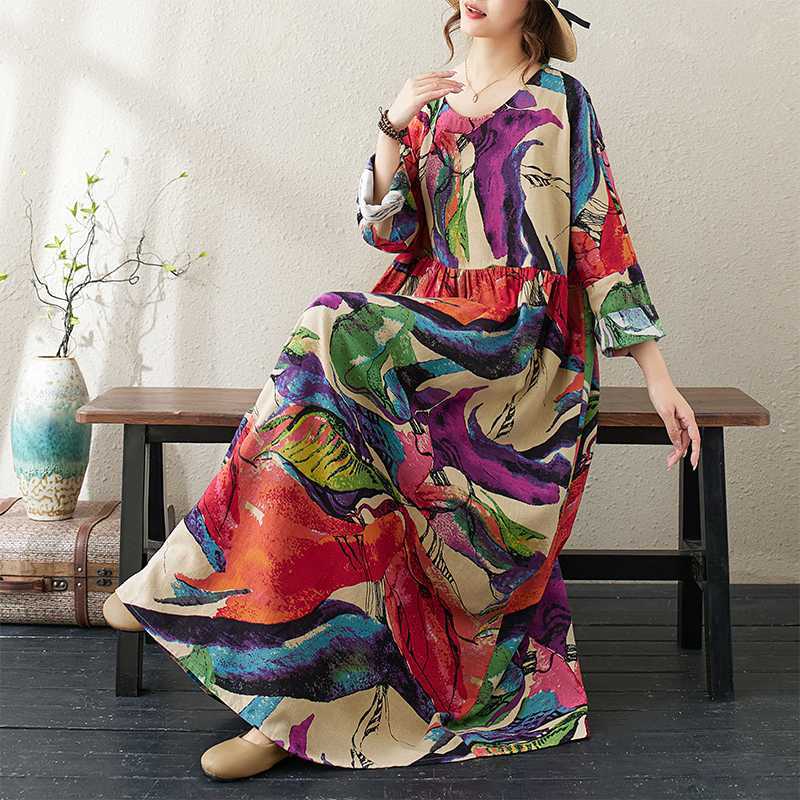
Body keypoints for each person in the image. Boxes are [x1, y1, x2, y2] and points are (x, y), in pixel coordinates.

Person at [104, 0, 701, 781]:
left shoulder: (563, 102)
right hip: (430, 333)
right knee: (320, 440)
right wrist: (391, 127)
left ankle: (186, 581)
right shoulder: (429, 102)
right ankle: (285, 710)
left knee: (329, 325)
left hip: (519, 353)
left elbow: (601, 239)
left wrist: (658, 377)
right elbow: (389, 233)